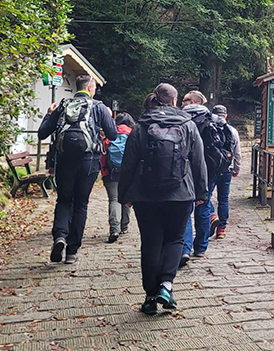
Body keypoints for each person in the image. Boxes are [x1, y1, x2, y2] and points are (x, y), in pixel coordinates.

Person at [118, 83, 207, 315]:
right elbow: (198, 161)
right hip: (180, 193)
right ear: (175, 100)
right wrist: (202, 193)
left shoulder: (141, 125)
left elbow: (128, 163)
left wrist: (125, 195)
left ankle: (149, 297)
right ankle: (166, 286)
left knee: (151, 243)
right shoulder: (187, 125)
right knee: (175, 239)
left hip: (145, 195)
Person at [38, 74, 117, 265]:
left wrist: (49, 113)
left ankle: (59, 237)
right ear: (90, 88)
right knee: (81, 203)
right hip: (89, 161)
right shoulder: (98, 107)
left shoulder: (63, 105)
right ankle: (72, 251)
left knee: (64, 200)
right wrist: (107, 116)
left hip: (65, 160)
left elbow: (42, 133)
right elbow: (113, 135)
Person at [179, 91, 226, 265]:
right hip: (210, 169)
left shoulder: (180, 118)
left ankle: (185, 248)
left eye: (184, 100)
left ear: (191, 102)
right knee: (204, 206)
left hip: (185, 169)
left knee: (185, 208)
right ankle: (201, 247)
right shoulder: (214, 119)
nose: (181, 103)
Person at [101, 113, 135, 243]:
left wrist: (104, 172)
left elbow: (103, 155)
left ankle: (114, 229)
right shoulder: (133, 133)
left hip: (111, 172)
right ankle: (124, 226)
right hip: (128, 172)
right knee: (126, 198)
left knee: (114, 200)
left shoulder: (111, 134)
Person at [209, 104, 240, 239]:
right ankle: (221, 229)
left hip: (211, 169)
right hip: (226, 169)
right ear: (226, 115)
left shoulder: (208, 128)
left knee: (205, 196)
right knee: (223, 199)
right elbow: (237, 153)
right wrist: (236, 168)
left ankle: (211, 215)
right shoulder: (232, 131)